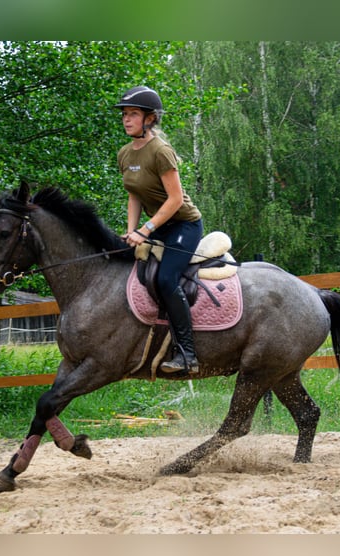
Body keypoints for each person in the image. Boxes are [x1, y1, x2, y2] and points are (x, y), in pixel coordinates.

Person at [115, 86, 203, 375]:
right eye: (125, 114)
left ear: (150, 119)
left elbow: (175, 199)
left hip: (183, 225)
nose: (127, 119)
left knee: (166, 279)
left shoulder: (161, 151)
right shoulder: (125, 154)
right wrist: (131, 232)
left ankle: (188, 354)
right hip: (155, 227)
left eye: (133, 114)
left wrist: (146, 229)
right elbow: (134, 195)